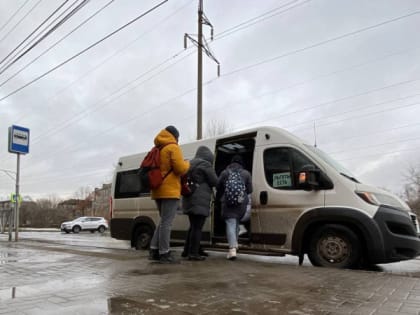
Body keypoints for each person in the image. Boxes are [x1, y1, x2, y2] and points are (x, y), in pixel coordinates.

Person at [149, 126, 190, 264]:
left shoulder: (157, 148)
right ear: (175, 136)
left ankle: (154, 249)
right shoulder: (173, 147)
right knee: (167, 222)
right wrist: (187, 164)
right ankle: (164, 253)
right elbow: (180, 169)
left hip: (157, 190)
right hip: (170, 190)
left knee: (163, 221)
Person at [181, 146, 218, 261]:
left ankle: (187, 251)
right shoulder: (205, 165)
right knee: (197, 227)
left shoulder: (189, 164)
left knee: (193, 226)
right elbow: (214, 181)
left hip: (189, 199)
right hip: (199, 200)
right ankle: (193, 254)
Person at [216, 155, 252, 260]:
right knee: (235, 223)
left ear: (231, 163)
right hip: (241, 203)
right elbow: (250, 190)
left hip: (227, 203)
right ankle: (235, 245)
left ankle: (232, 249)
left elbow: (218, 186)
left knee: (231, 223)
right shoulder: (246, 173)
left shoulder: (225, 172)